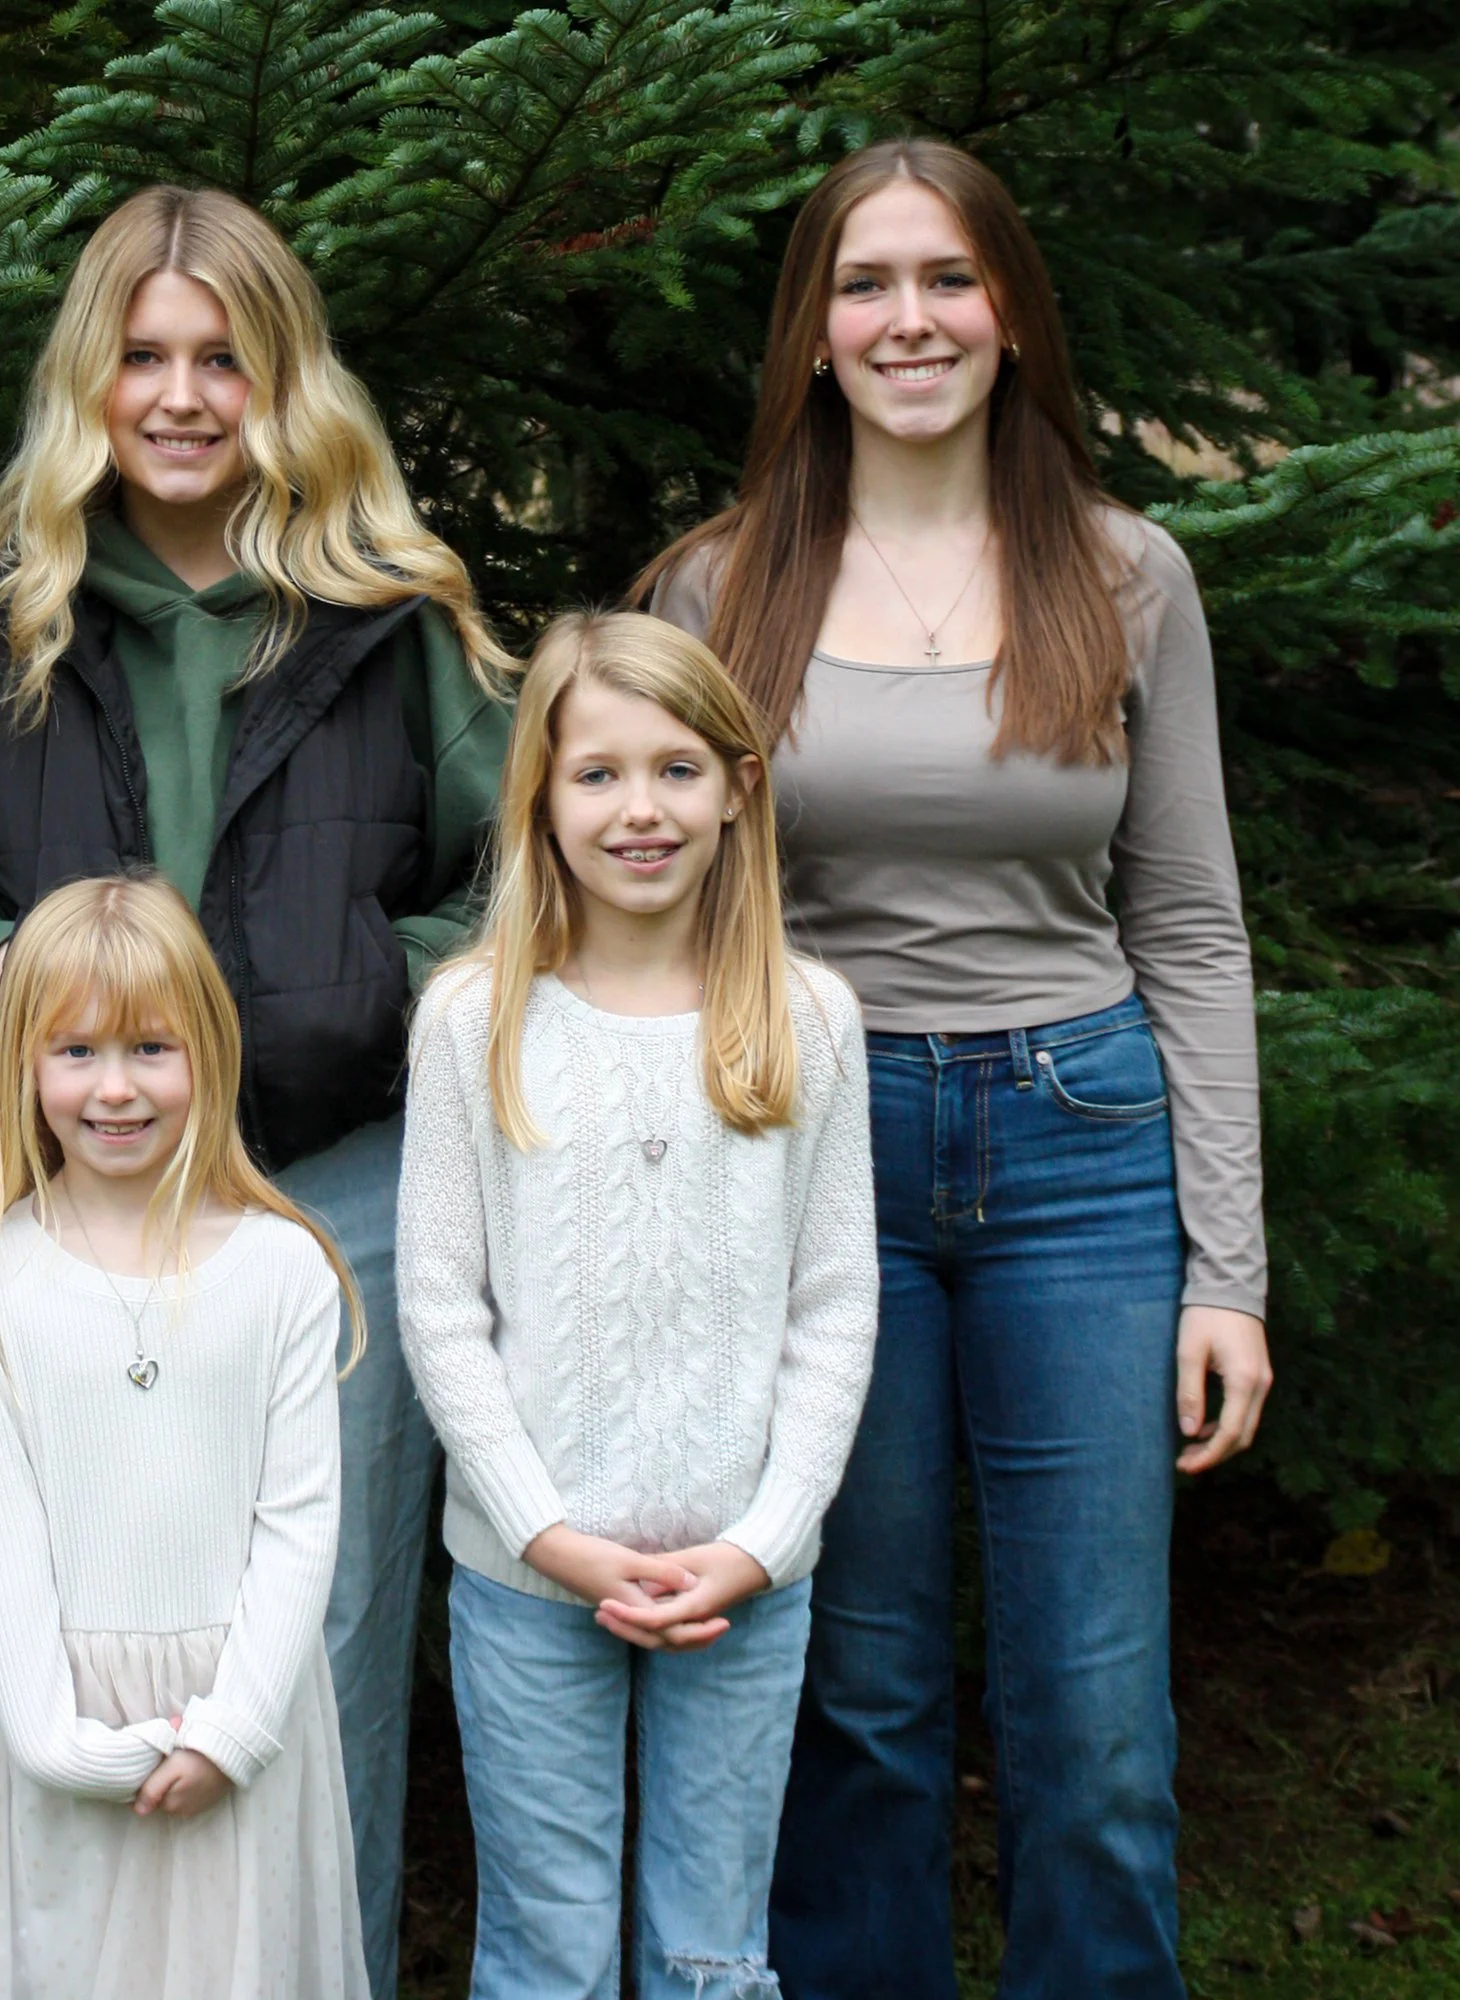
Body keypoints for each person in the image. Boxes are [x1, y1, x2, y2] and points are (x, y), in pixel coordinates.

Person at [639, 138, 1274, 2000]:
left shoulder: (1125, 573)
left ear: (1010, 313)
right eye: (864, 284)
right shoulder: (715, 588)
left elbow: (1195, 930)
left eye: (946, 279)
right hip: (819, 1158)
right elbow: (657, 933)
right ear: (813, 335)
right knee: (865, 1688)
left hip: (1084, 1157)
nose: (907, 319)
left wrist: (1225, 1267)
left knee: (1092, 1712)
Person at [0, 184, 511, 1995]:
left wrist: (384, 975)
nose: (178, 393)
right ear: (89, 379)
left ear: (281, 379)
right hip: (54, 1214)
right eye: (141, 355)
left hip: (332, 1192)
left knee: (325, 1633)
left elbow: (525, 869)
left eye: (222, 355)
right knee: (40, 1610)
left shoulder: (392, 621)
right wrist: (6, 966)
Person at [396, 612, 878, 1998]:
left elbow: (835, 1305)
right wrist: (548, 1535)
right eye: (596, 774)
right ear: (540, 800)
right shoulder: (473, 1019)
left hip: (745, 1577)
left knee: (711, 1949)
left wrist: (770, 1537)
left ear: (739, 786)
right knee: (546, 1950)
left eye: (676, 769)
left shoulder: (808, 1019)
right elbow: (442, 1305)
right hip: (528, 1575)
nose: (639, 810)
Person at [0, 873, 368, 1999]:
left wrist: (235, 1725)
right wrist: (55, 1739)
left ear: (206, 1054)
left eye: (149, 1049)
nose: (114, 1087)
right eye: (74, 1050)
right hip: (52, 1712)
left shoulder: (281, 1268)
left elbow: (299, 1519)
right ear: (22, 1063)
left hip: (238, 1708)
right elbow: (0, 1538)